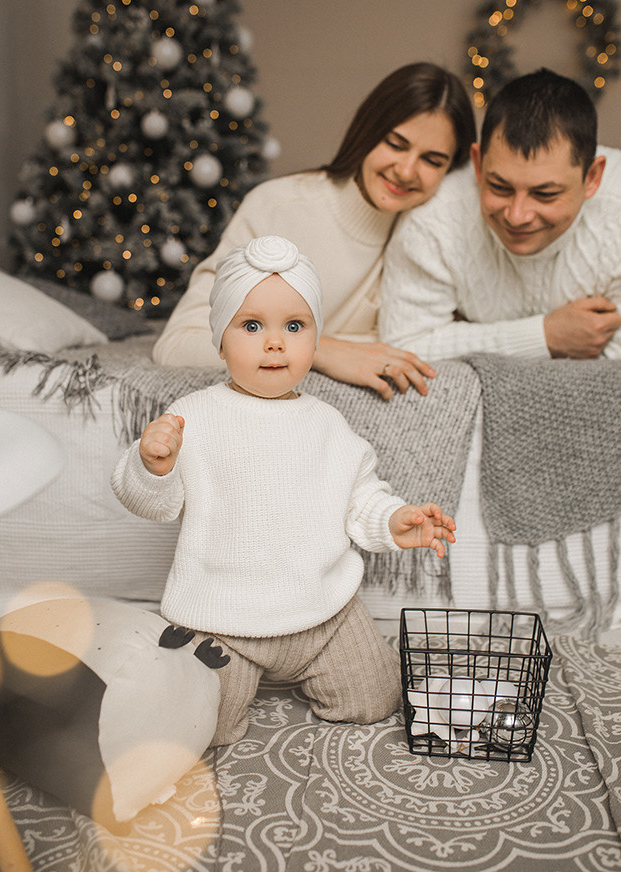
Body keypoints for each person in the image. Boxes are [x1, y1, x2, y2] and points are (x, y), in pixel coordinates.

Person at [112, 236, 456, 746]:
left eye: (294, 327)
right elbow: (154, 504)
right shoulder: (193, 416)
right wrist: (152, 466)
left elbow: (360, 495)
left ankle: (321, 666)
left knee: (376, 698)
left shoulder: (328, 423)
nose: (275, 343)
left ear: (315, 341)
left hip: (323, 615)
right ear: (220, 340)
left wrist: (392, 520)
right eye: (252, 326)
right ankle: (207, 678)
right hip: (223, 619)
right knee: (202, 725)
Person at [153, 62, 476, 398]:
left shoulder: (439, 240)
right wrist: (321, 350)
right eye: (395, 144)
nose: (407, 171)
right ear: (367, 131)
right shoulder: (278, 208)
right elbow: (177, 344)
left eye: (433, 160)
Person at [379, 69, 621, 360]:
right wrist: (544, 337)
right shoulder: (434, 220)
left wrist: (463, 337)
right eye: (500, 187)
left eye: (545, 194)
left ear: (592, 177)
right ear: (478, 164)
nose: (516, 216)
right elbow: (405, 345)